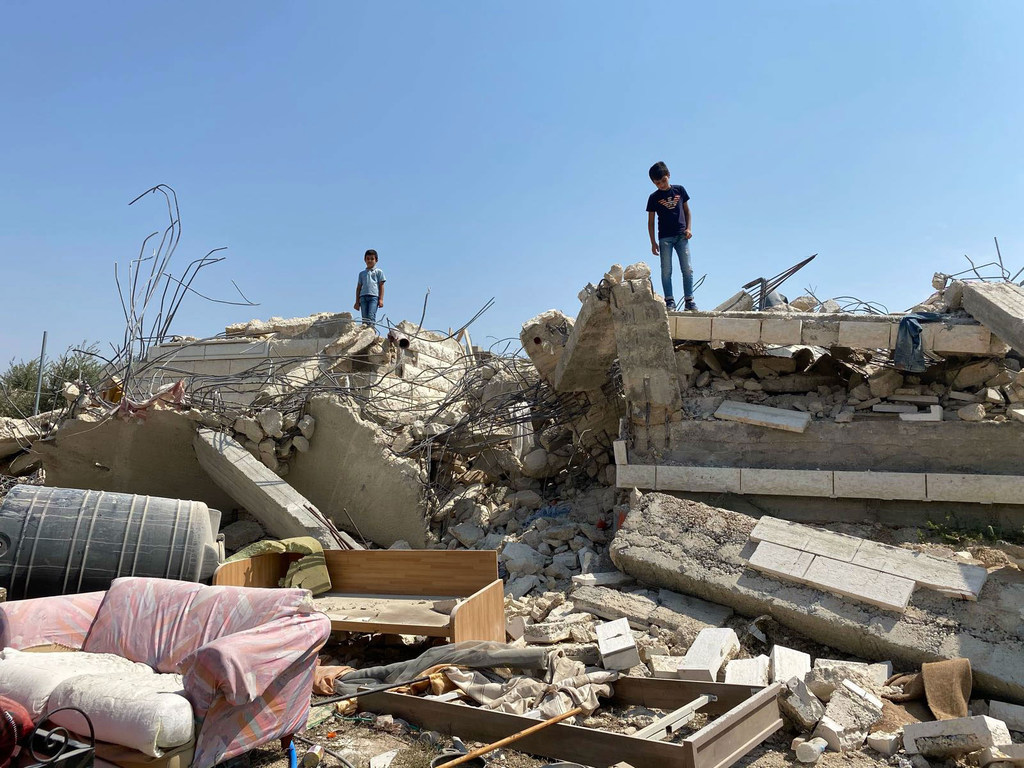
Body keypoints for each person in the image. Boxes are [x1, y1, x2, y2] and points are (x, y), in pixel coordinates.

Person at [646, 161, 696, 311]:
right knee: (666, 270)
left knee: (687, 269)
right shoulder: (653, 198)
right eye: (657, 183)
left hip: (682, 236)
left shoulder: (679, 190)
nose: (661, 184)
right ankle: (670, 301)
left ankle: (689, 300)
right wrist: (653, 242)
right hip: (665, 238)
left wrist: (689, 228)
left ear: (668, 176)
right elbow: (651, 222)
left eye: (663, 180)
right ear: (654, 183)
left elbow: (687, 211)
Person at [354, 249, 385, 327]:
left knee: (371, 316)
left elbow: (381, 286)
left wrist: (381, 299)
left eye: (372, 259)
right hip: (363, 297)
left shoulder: (379, 272)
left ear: (376, 260)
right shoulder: (362, 274)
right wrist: (357, 302)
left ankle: (371, 332)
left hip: (374, 297)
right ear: (365, 260)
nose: (370, 261)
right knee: (364, 318)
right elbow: (358, 288)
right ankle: (364, 334)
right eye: (368, 259)